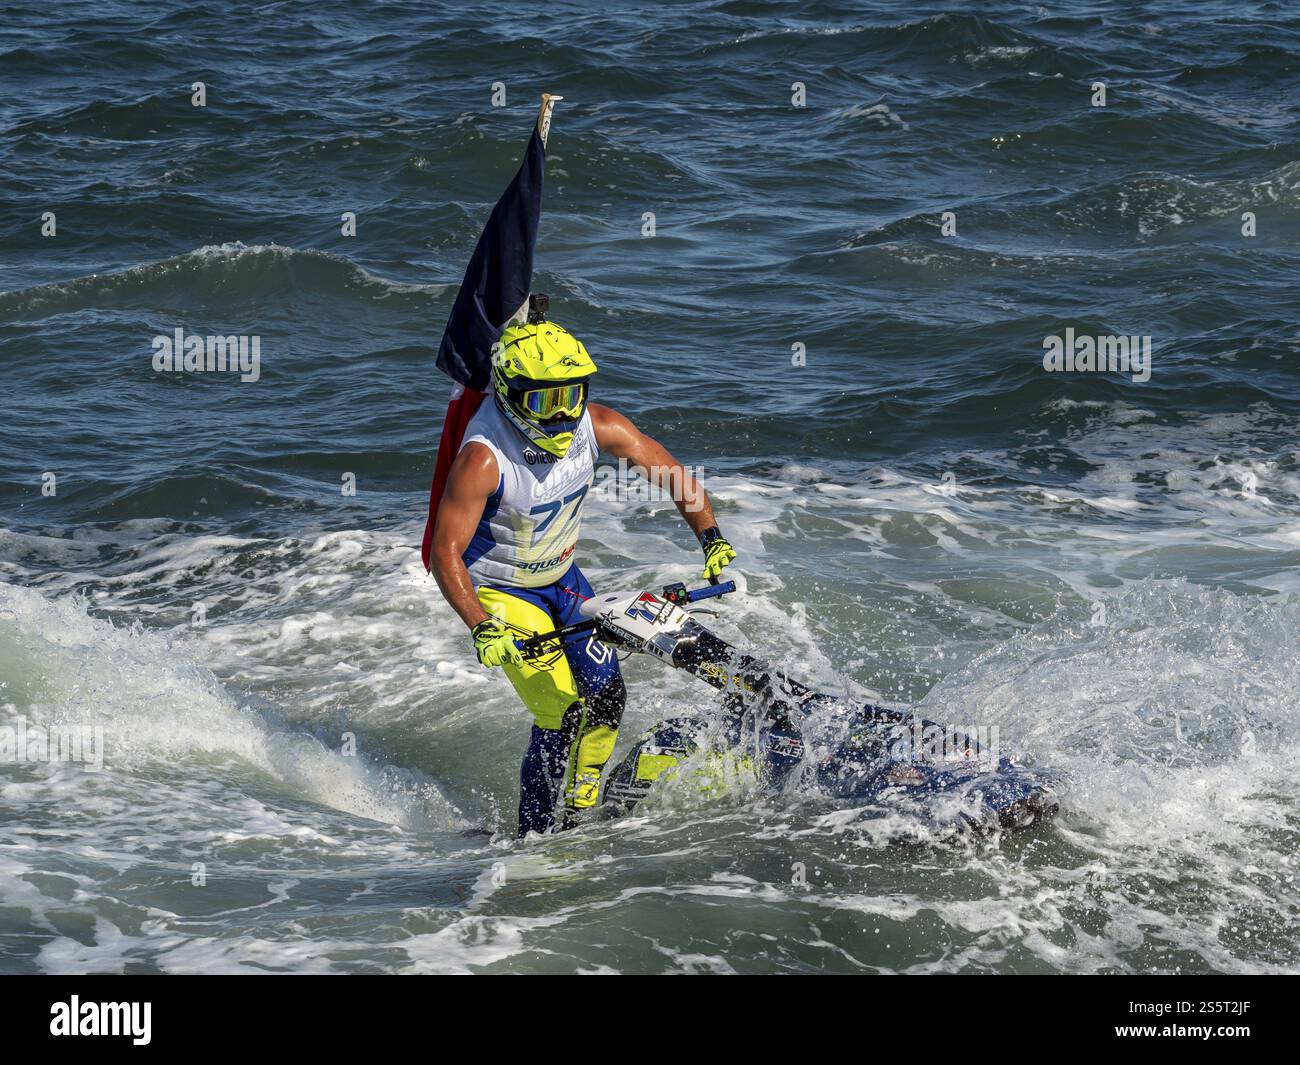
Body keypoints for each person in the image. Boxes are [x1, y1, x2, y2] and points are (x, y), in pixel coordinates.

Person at [430, 303, 736, 835]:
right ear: (508, 393)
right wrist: (481, 626)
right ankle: (534, 836)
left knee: (608, 694)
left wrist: (711, 539)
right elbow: (444, 555)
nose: (561, 414)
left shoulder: (599, 426)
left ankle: (580, 800)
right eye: (545, 401)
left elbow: (673, 474)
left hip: (565, 583)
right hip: (504, 593)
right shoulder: (483, 456)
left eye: (571, 396)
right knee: (563, 712)